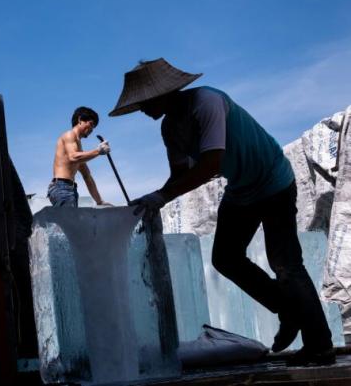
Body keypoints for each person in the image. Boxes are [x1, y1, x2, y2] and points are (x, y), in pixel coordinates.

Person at [109, 58, 334, 366]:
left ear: (165, 93)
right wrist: (151, 200)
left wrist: (161, 196)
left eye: (145, 101)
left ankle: (320, 346)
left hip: (273, 181)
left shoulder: (207, 102)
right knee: (225, 258)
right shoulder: (170, 128)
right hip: (241, 190)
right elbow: (179, 175)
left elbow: (211, 164)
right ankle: (288, 310)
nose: (143, 109)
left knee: (286, 264)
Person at [48, 106, 113, 207]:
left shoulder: (78, 148)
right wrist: (98, 151)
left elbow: (87, 176)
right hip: (61, 188)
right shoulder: (69, 135)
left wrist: (99, 201)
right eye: (91, 124)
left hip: (70, 189)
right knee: (68, 222)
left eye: (94, 127)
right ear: (80, 120)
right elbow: (73, 157)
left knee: (71, 222)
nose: (92, 129)